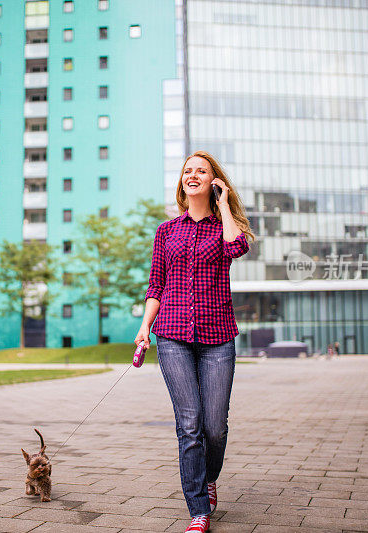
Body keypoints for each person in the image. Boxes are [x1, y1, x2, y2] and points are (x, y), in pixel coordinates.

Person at [135, 151, 255, 533]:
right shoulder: (166, 231)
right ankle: (199, 510)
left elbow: (238, 248)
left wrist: (224, 202)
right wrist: (144, 327)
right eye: (188, 170)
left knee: (215, 426)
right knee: (189, 422)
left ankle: (208, 476)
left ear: (213, 180)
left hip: (218, 336)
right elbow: (156, 285)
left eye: (201, 171)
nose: (193, 175)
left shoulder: (225, 227)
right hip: (172, 336)